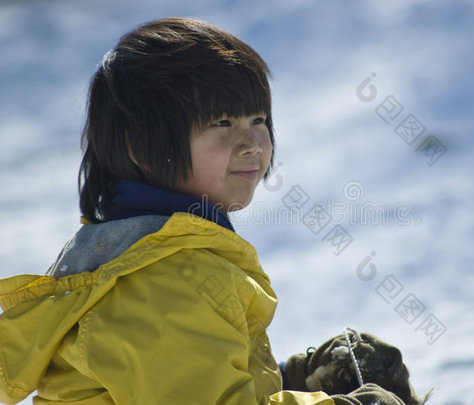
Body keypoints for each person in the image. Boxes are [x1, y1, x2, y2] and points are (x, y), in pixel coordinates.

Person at [0, 17, 427, 405]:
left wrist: (300, 377)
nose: (252, 143)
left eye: (257, 120)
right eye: (222, 123)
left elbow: (197, 382)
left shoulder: (157, 251)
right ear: (138, 146)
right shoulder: (159, 283)